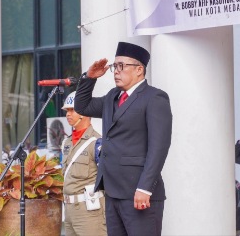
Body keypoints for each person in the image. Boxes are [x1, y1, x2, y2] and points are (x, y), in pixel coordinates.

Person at [74, 41, 173, 236]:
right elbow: (82, 107)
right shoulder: (113, 96)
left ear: (139, 70)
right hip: (113, 190)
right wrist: (89, 78)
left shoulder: (154, 98)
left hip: (138, 191)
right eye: (114, 66)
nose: (116, 71)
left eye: (122, 66)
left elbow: (158, 147)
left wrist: (145, 187)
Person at [61, 91, 106, 236]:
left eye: (72, 110)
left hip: (90, 211)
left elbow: (109, 179)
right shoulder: (67, 143)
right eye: (67, 110)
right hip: (69, 210)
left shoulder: (97, 142)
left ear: (85, 111)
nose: (68, 114)